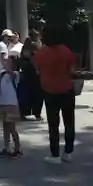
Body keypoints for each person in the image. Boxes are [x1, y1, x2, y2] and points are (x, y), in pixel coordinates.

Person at [33, 25, 77, 163]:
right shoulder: (67, 51)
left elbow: (37, 71)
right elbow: (72, 71)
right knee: (69, 122)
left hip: (49, 91)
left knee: (53, 124)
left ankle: (55, 154)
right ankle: (68, 152)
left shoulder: (41, 53)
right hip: (67, 89)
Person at [0, 64, 22, 158]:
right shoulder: (2, 74)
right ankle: (6, 148)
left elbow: (13, 75)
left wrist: (8, 69)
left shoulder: (16, 74)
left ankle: (17, 148)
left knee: (12, 127)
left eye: (10, 62)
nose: (7, 63)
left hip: (12, 103)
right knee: (5, 126)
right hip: (3, 103)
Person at [18, 30, 44, 121]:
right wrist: (37, 69)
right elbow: (33, 58)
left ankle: (24, 112)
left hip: (26, 72)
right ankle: (36, 113)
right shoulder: (34, 45)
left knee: (27, 93)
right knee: (37, 94)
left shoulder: (26, 45)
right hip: (34, 72)